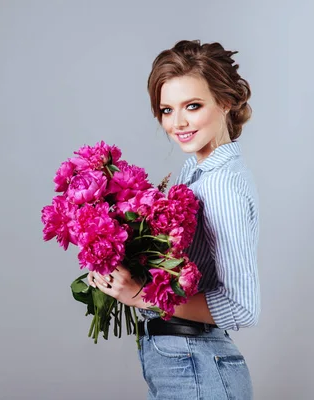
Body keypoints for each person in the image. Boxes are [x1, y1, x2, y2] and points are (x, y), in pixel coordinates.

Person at [88, 40, 260, 399]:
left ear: (225, 102)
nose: (177, 123)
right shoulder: (194, 172)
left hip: (196, 366)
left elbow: (242, 307)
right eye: (167, 110)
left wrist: (140, 294)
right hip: (183, 362)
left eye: (192, 106)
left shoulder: (221, 185)